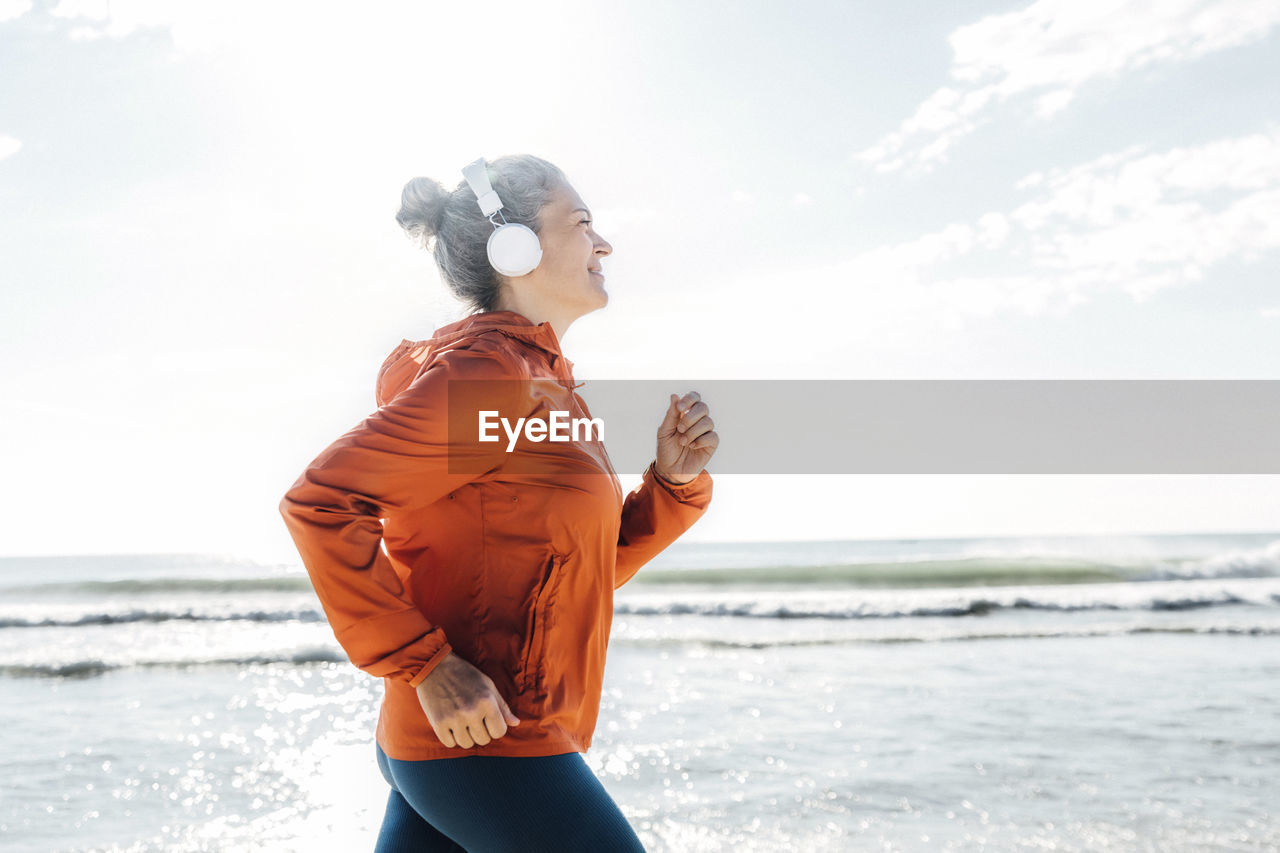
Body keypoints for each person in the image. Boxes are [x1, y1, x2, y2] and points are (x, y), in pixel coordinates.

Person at [278, 153, 718, 852]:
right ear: (515, 249)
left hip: (472, 740)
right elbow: (322, 501)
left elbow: (579, 567)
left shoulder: (544, 388)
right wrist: (424, 665)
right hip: (488, 742)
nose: (604, 244)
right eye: (582, 224)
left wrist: (672, 482)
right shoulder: (490, 378)